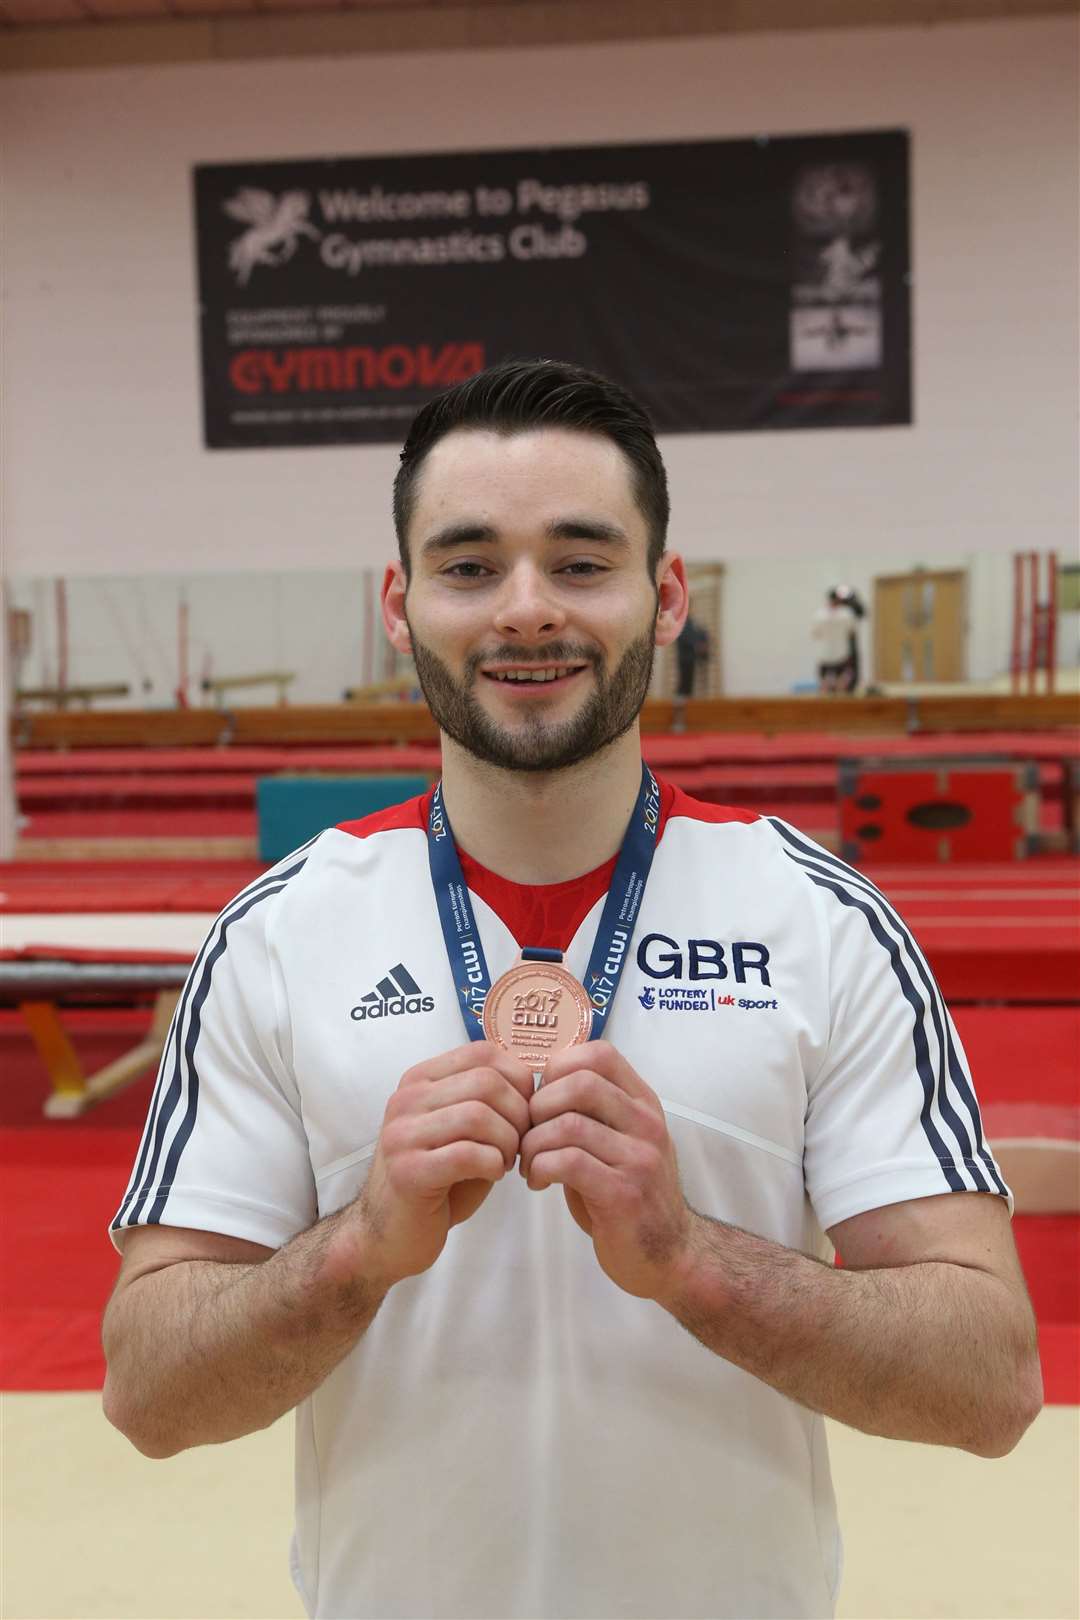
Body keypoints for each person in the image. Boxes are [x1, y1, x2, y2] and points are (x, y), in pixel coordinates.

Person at [102, 360, 1041, 1620]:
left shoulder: (818, 920)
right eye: (471, 564)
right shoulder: (281, 934)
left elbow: (991, 1384)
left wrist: (693, 1259)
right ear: (401, 602)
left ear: (667, 599)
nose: (527, 610)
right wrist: (356, 1256)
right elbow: (145, 1393)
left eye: (583, 562)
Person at [812, 584, 864, 693]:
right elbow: (852, 632)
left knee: (825, 683)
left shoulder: (819, 615)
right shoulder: (847, 614)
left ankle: (827, 696)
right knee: (842, 683)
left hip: (825, 653)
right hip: (841, 653)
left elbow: (815, 634)